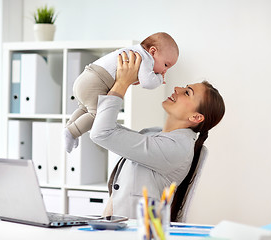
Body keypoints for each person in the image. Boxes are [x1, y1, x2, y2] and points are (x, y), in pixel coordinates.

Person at [90, 51, 226, 222]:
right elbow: (106, 128)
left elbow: (102, 133)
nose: (178, 89)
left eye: (187, 93)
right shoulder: (155, 135)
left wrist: (122, 83)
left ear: (196, 117)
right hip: (118, 227)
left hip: (135, 232)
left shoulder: (176, 149)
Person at [64, 32, 179, 152]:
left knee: (84, 109)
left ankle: (69, 127)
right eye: (166, 65)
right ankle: (72, 132)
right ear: (153, 51)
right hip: (95, 83)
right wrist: (160, 79)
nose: (165, 70)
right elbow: (148, 83)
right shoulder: (145, 58)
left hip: (85, 78)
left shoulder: (133, 50)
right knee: (98, 114)